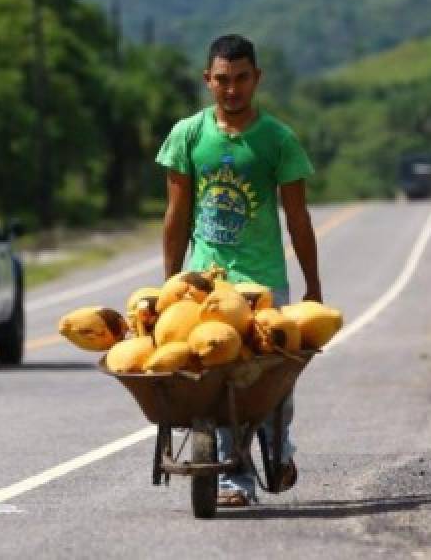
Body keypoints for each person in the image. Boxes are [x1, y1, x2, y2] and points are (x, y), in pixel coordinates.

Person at [156, 33, 321, 508]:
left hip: (264, 280)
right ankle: (234, 478)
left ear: (257, 79)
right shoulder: (188, 135)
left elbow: (298, 220)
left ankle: (279, 444)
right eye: (223, 80)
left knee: (272, 383)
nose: (232, 89)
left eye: (241, 79)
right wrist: (171, 279)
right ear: (208, 80)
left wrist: (312, 284)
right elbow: (176, 215)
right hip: (205, 283)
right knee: (217, 375)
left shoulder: (277, 140)